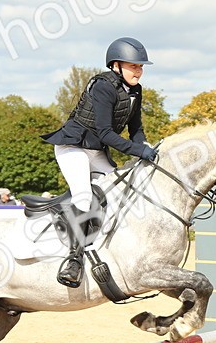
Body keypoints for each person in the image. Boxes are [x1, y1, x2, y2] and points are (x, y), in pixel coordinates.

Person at [40, 37, 158, 287]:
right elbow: (105, 133)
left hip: (95, 150)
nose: (138, 71)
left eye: (140, 67)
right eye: (133, 66)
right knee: (84, 196)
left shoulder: (136, 90)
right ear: (116, 65)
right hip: (73, 147)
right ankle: (73, 259)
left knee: (122, 189)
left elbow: (136, 129)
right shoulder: (103, 87)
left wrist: (145, 147)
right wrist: (138, 151)